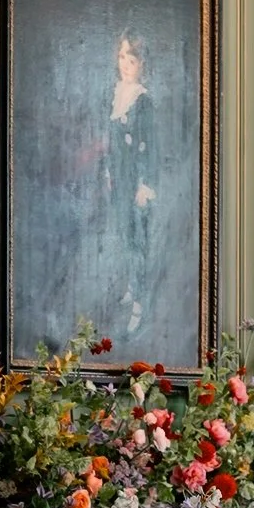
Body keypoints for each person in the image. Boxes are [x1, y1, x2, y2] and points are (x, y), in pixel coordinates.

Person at [103, 30, 156, 336]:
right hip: (120, 180)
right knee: (124, 236)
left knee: (139, 242)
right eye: (122, 56)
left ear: (142, 64)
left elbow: (149, 146)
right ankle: (130, 288)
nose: (125, 64)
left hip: (137, 185)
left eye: (132, 59)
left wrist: (144, 185)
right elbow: (112, 142)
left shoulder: (143, 100)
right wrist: (109, 172)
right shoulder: (117, 92)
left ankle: (140, 301)